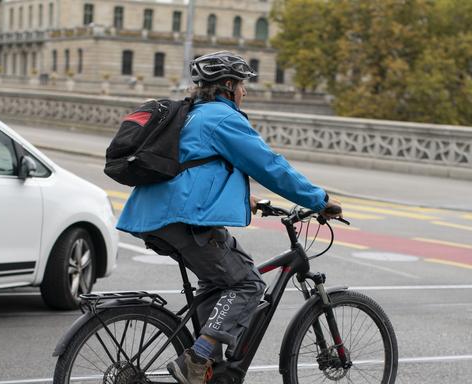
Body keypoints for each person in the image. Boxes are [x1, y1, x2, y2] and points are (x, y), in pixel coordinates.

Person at [115, 51, 343, 384]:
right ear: (227, 85)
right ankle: (197, 358)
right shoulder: (222, 118)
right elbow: (269, 166)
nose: (244, 92)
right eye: (241, 84)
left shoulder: (190, 115)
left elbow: (194, 167)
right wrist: (319, 200)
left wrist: (243, 199)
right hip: (183, 219)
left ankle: (209, 372)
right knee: (248, 283)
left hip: (154, 216)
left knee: (217, 283)